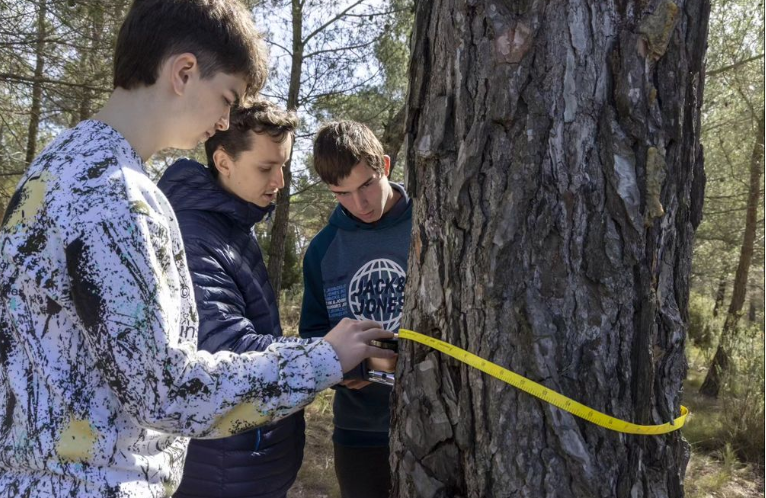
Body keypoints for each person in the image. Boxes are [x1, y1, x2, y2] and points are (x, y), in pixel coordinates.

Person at [0, 2, 393, 496]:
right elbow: (165, 390)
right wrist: (324, 359)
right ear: (184, 72)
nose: (226, 120)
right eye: (227, 97)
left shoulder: (59, 168)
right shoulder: (114, 192)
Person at [157, 101, 305, 498]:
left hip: (246, 462)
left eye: (284, 165)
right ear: (223, 161)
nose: (280, 180)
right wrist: (331, 356)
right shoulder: (195, 235)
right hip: (222, 470)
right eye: (266, 167)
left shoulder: (233, 224)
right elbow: (231, 350)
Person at [299, 121, 412, 498]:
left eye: (366, 185)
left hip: (440, 423)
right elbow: (314, 337)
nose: (359, 204)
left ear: (385, 165)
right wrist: (343, 368)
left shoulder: (431, 223)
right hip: (361, 430)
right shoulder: (322, 250)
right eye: (341, 193)